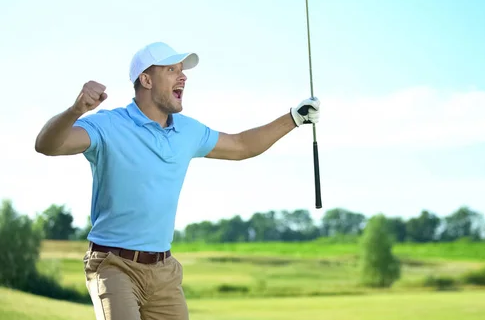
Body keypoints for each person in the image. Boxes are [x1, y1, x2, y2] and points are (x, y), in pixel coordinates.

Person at [34, 41, 320, 320]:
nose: (182, 76)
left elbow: (242, 146)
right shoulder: (108, 125)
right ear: (146, 80)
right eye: (171, 70)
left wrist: (294, 118)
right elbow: (47, 145)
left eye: (182, 70)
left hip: (164, 271)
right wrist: (75, 111)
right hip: (113, 266)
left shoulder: (188, 131)